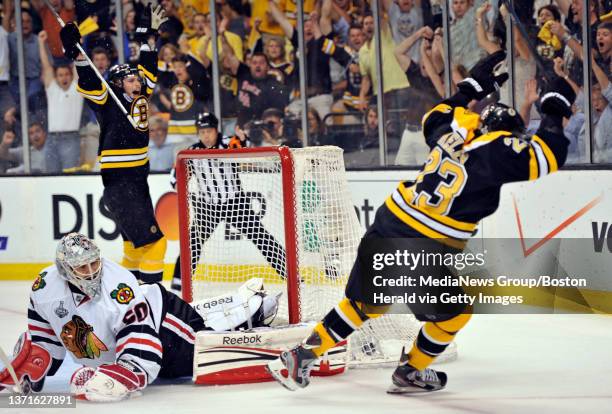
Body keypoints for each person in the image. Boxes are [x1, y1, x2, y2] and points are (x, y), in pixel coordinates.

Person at [267, 51, 576, 393]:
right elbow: (549, 155)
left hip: (388, 223)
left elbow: (436, 115)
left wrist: (469, 90)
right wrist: (555, 105)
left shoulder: (455, 136)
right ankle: (412, 370)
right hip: (421, 246)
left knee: (364, 304)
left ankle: (301, 356)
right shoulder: (498, 151)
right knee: (455, 314)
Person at [0, 233, 280, 401]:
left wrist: (125, 373)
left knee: (205, 352)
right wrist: (33, 366)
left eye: (94, 262)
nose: (92, 271)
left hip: (164, 326)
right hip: (131, 335)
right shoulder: (44, 287)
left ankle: (252, 312)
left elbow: (141, 343)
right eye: (82, 268)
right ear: (65, 271)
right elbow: (46, 335)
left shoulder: (119, 286)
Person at [60, 5, 168, 283]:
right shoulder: (108, 99)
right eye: (131, 79)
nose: (138, 82)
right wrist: (76, 53)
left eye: (137, 78)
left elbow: (149, 66)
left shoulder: (139, 93)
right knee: (156, 244)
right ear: (118, 83)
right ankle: (152, 301)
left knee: (133, 248)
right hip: (120, 184)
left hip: (136, 181)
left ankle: (128, 298)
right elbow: (89, 80)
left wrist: (148, 36)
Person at [170, 112, 287, 291]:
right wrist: (179, 180)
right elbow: (175, 180)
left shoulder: (227, 142)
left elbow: (244, 149)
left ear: (216, 130)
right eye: (201, 132)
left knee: (262, 238)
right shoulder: (191, 153)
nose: (205, 135)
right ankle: (178, 285)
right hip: (207, 206)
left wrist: (243, 139)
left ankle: (290, 274)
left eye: (209, 131)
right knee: (192, 243)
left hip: (235, 203)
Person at [38, 30, 84, 173]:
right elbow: (46, 66)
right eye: (60, 75)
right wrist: (41, 43)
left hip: (71, 139)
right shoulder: (52, 89)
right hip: (51, 139)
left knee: (69, 177)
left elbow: (78, 66)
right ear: (56, 77)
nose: (64, 77)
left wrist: (77, 46)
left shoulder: (76, 90)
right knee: (51, 177)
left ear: (70, 76)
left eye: (66, 75)